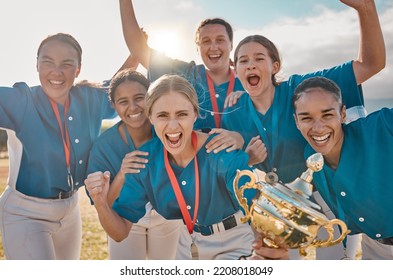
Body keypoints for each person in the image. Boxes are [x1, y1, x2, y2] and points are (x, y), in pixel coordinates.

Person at [85, 74, 288, 260]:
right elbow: (120, 233)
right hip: (189, 244)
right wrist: (101, 203)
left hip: (235, 242)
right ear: (151, 116)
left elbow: (253, 203)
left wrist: (263, 244)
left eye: (181, 114)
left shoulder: (220, 149)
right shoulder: (145, 160)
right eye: (163, 115)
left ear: (195, 114)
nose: (173, 126)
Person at [0, 33, 137, 259]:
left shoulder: (90, 97)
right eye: (48, 62)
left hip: (70, 210)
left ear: (78, 69)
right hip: (25, 213)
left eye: (66, 64)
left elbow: (117, 85)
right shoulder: (20, 100)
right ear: (36, 65)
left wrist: (135, 54)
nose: (57, 71)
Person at [118, 0, 257, 157]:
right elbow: (138, 49)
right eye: (205, 41)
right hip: (189, 172)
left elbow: (266, 134)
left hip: (234, 172)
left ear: (231, 45)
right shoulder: (185, 74)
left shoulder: (250, 85)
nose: (213, 47)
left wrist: (241, 139)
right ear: (197, 48)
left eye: (220, 40)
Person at [293, 76, 393, 260]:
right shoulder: (311, 155)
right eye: (306, 118)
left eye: (327, 115)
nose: (318, 127)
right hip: (375, 247)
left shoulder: (381, 125)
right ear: (297, 121)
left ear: (343, 114)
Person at [85, 69, 182, 259]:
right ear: (113, 105)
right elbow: (106, 204)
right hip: (123, 218)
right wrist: (122, 175)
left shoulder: (168, 130)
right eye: (123, 102)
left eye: (139, 98)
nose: (133, 107)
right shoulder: (103, 147)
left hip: (166, 218)